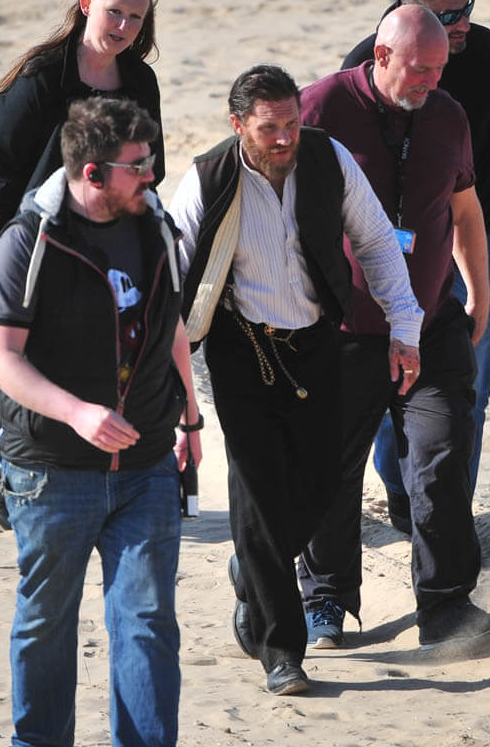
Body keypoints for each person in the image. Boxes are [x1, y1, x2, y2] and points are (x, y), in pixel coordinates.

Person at [0, 97, 206, 747]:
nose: (152, 175)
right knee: (47, 618)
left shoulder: (155, 226)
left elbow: (170, 325)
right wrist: (76, 411)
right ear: (92, 173)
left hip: (145, 461)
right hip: (51, 469)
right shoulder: (30, 241)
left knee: (146, 620)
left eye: (150, 160)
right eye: (138, 166)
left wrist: (189, 416)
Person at [168, 65, 423, 694]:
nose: (285, 138)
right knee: (258, 494)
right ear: (238, 126)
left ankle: (254, 568)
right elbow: (168, 272)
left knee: (323, 482)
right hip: (240, 349)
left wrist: (404, 326)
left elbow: (376, 243)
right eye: (269, 128)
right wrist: (161, 375)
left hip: (315, 343)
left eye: (292, 123)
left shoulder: (329, 160)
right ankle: (282, 651)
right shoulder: (208, 177)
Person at [298, 5, 490, 650]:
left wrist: (479, 294)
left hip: (429, 322)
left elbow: (465, 210)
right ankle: (326, 600)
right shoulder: (321, 107)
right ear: (381, 56)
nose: (431, 81)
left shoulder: (448, 115)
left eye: (439, 69)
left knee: (442, 456)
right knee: (331, 470)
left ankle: (445, 606)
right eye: (420, 69)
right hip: (344, 329)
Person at [0, 0, 165, 531]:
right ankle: (9, 464)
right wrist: (0, 262)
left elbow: (151, 167)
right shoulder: (39, 79)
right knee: (25, 359)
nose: (123, 27)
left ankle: (68, 472)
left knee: (91, 362)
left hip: (109, 245)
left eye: (135, 18)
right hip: (33, 243)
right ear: (88, 3)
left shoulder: (139, 80)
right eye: (114, 12)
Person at [341, 0, 490, 527]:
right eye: (448, 16)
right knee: (391, 377)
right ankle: (402, 490)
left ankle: (451, 509)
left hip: (478, 233)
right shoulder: (366, 61)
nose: (463, 25)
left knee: (468, 380)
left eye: (466, 9)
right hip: (390, 249)